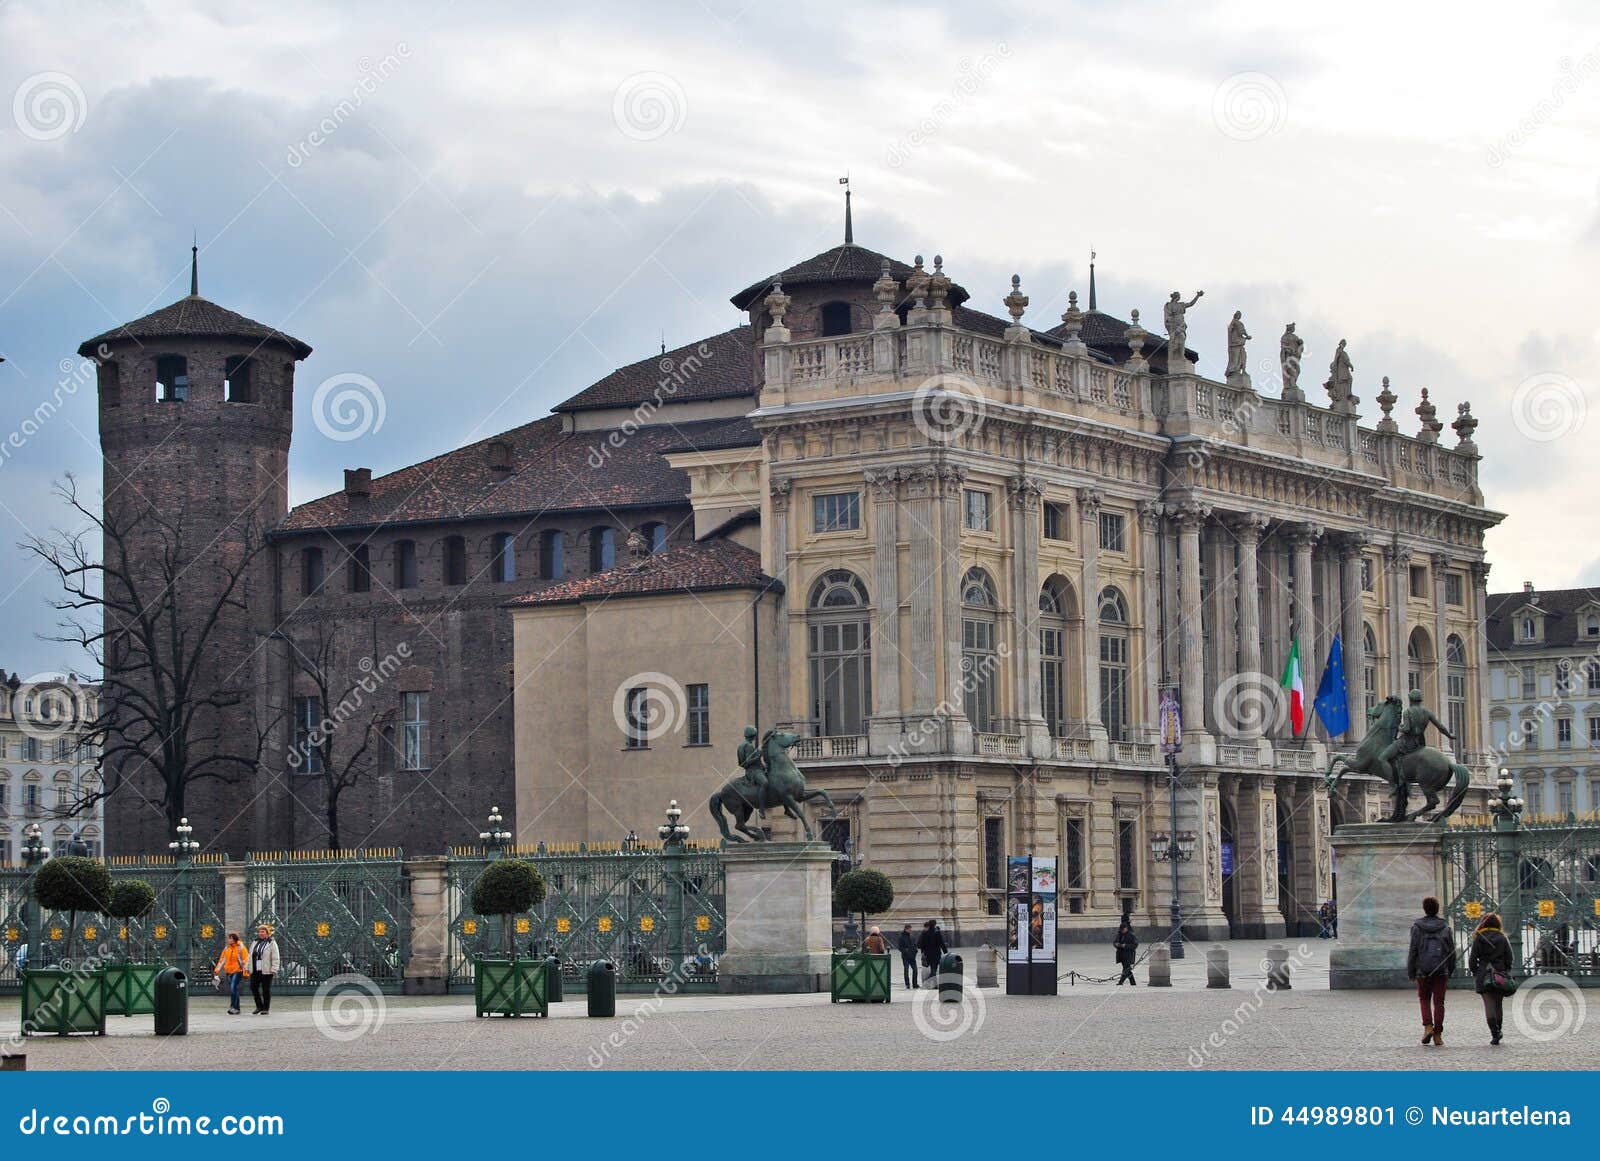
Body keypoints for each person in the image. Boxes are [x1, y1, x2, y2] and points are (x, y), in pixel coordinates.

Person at [1406, 895, 1457, 1046]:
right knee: (1439, 1002)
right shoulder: (1445, 927)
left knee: (1424, 999)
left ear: (1424, 909)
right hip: (1441, 970)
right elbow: (1451, 952)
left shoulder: (1417, 927)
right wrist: (1451, 969)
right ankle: (1438, 1034)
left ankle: (1428, 1026)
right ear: (1437, 909)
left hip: (1423, 969)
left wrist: (1411, 971)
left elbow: (1413, 950)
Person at [1468, 913, 1514, 1046]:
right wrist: (1505, 970)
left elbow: (1472, 960)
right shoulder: (1502, 938)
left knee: (1488, 1005)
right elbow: (1510, 958)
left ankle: (1494, 1033)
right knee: (1498, 1004)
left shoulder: (1479, 938)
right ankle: (1499, 1029)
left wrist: (1476, 971)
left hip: (1483, 975)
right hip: (1499, 973)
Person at [213, 931, 249, 1015]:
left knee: (233, 988)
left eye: (230, 938)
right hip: (229, 971)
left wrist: (246, 972)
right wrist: (217, 970)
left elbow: (245, 960)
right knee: (234, 989)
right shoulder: (227, 948)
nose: (228, 940)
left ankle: (232, 1007)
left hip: (238, 971)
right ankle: (237, 1009)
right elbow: (222, 960)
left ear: (234, 939)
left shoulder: (241, 948)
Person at [249, 924, 280, 1015]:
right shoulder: (255, 942)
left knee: (266, 989)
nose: (261, 933)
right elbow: (250, 955)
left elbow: (275, 957)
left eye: (263, 932)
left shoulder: (271, 943)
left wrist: (274, 968)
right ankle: (259, 1006)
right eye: (259, 932)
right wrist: (247, 967)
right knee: (253, 987)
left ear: (267, 933)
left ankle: (265, 1008)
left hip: (266, 970)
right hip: (255, 969)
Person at [917, 919, 949, 987]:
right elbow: (941, 943)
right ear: (935, 924)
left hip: (928, 954)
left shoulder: (925, 933)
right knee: (934, 968)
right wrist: (946, 952)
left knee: (933, 968)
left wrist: (923, 952)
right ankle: (932, 982)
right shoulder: (937, 932)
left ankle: (934, 983)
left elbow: (922, 944)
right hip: (936, 954)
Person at [1113, 916, 1139, 985]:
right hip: (1121, 954)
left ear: (1126, 928)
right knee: (1127, 969)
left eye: (1123, 929)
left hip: (1128, 955)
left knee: (1126, 969)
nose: (1122, 931)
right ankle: (1133, 982)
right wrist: (1117, 944)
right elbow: (1114, 942)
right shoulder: (1119, 935)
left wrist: (1126, 946)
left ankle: (1120, 982)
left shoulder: (1131, 935)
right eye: (1121, 929)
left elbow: (1135, 945)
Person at [896, 923, 918, 989]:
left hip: (912, 956)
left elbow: (914, 944)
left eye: (911, 929)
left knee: (915, 970)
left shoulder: (912, 936)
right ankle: (907, 984)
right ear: (906, 929)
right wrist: (906, 952)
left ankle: (915, 984)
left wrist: (915, 951)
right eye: (910, 929)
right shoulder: (901, 937)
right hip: (905, 956)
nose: (911, 930)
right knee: (906, 970)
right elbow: (900, 947)